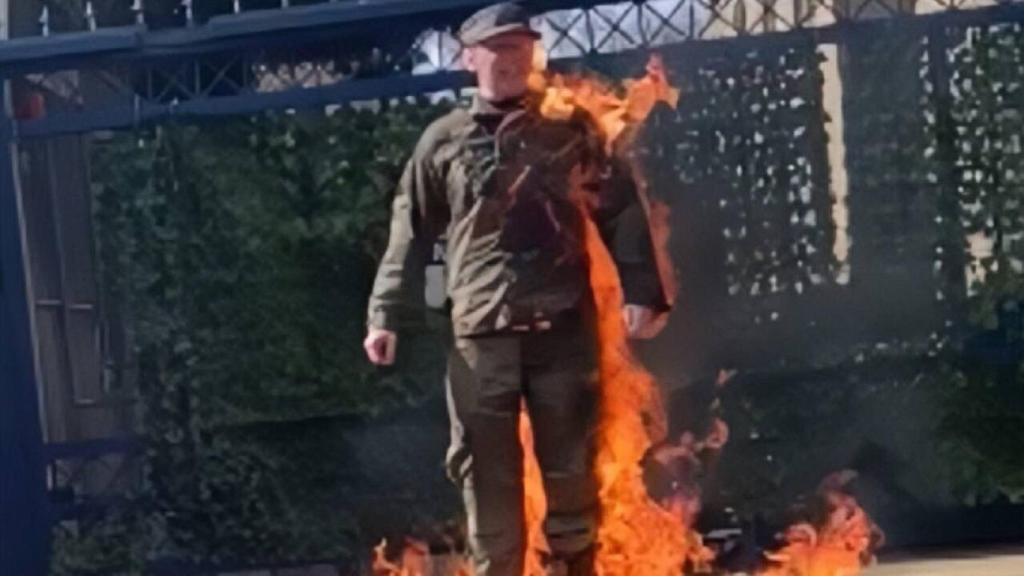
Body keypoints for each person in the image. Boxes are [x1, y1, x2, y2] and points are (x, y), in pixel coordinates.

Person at [363, 3, 670, 575]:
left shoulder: (569, 130)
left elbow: (620, 207)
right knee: (487, 480)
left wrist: (642, 291)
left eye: (520, 47)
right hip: (481, 338)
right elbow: (411, 230)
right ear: (468, 58)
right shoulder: (443, 143)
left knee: (573, 473)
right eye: (498, 48)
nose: (511, 58)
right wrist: (385, 315)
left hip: (563, 334)